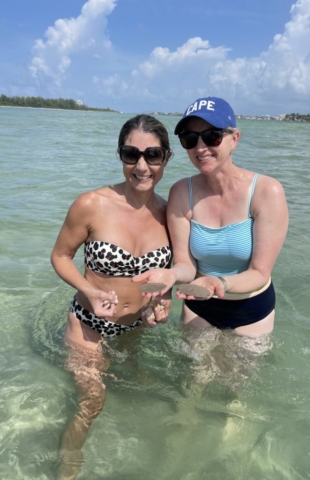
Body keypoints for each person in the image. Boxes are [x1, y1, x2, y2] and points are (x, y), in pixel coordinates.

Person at [51, 114, 172, 479]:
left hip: (135, 327)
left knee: (135, 382)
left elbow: (168, 277)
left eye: (152, 155)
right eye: (130, 153)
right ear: (120, 155)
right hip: (88, 326)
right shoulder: (91, 204)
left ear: (166, 158)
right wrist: (89, 289)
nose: (141, 166)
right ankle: (68, 462)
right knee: (94, 400)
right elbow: (60, 256)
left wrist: (161, 303)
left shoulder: (169, 213)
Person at [133, 96, 288, 338]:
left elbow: (260, 272)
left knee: (238, 376)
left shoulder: (266, 191)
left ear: (234, 139)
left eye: (212, 136)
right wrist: (171, 275)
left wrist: (219, 283)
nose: (200, 147)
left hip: (250, 307)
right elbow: (185, 264)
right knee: (195, 375)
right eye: (190, 139)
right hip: (199, 305)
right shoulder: (182, 192)